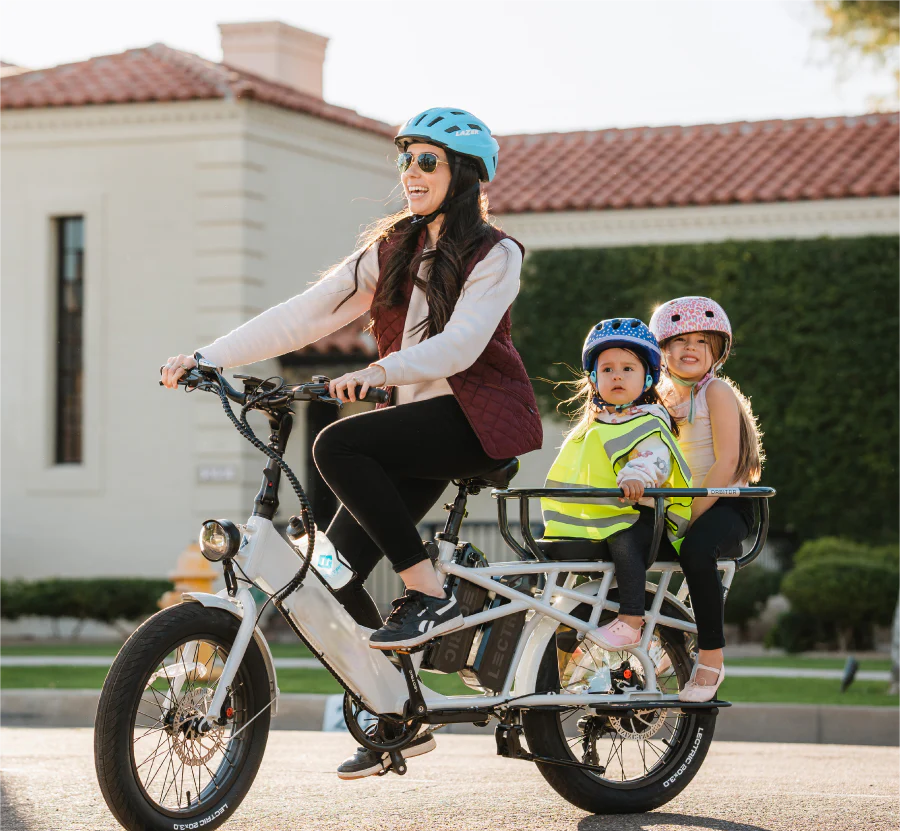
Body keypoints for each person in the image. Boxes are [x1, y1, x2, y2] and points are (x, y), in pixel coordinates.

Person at [160, 106, 542, 777]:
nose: (411, 171)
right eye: (405, 158)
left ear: (465, 174)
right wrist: (209, 357)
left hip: (473, 423)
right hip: (413, 430)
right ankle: (396, 712)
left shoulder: (496, 253)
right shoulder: (391, 249)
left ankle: (428, 593)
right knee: (329, 575)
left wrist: (379, 373)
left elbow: (461, 345)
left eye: (427, 160)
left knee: (336, 447)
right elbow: (306, 313)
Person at [541, 319, 692, 648]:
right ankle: (555, 611)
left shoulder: (649, 419)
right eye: (607, 369)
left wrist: (638, 475)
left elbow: (654, 457)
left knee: (623, 542)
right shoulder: (593, 425)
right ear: (594, 379)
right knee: (548, 549)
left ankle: (631, 620)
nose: (617, 376)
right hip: (598, 512)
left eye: (627, 368)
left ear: (647, 378)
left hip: (638, 513)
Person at [650, 297, 764, 702]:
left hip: (726, 502)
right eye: (680, 340)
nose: (691, 348)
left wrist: (690, 516)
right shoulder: (658, 399)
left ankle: (712, 657)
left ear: (717, 351)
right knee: (625, 543)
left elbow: (727, 462)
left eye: (702, 341)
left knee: (696, 549)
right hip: (682, 505)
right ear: (662, 350)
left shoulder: (716, 391)